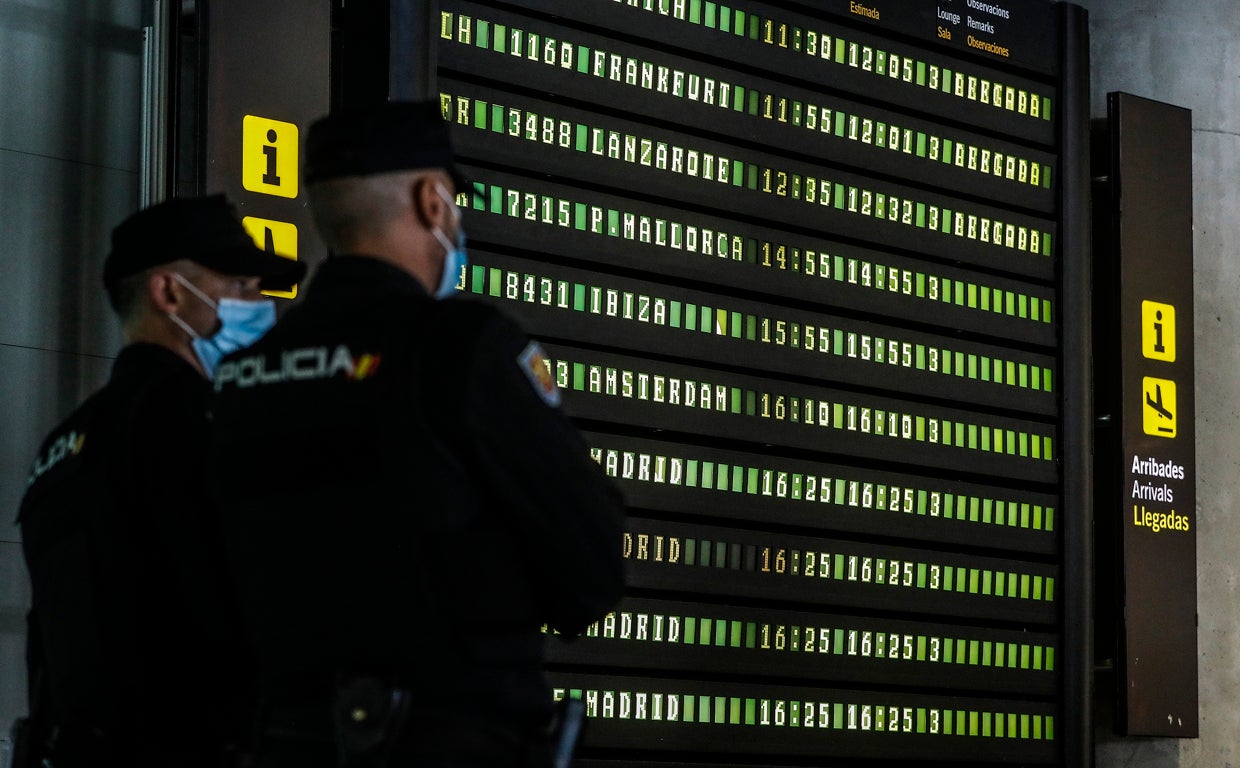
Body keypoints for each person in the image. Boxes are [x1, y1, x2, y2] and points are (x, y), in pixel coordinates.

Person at [206, 100, 626, 768]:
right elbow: (591, 563)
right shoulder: (461, 349)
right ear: (434, 202)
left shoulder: (237, 378)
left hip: (288, 741)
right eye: (455, 204)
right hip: (453, 735)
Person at [15, 195, 306, 768]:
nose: (261, 307)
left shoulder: (60, 449)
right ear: (169, 293)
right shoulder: (203, 422)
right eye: (243, 287)